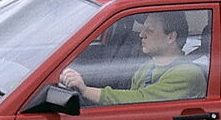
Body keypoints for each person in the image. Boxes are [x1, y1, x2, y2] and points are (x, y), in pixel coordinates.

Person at [60, 11, 205, 105]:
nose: (141, 35)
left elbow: (139, 100)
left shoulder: (187, 74)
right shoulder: (148, 66)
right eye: (143, 29)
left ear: (171, 37)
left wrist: (86, 91)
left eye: (149, 30)